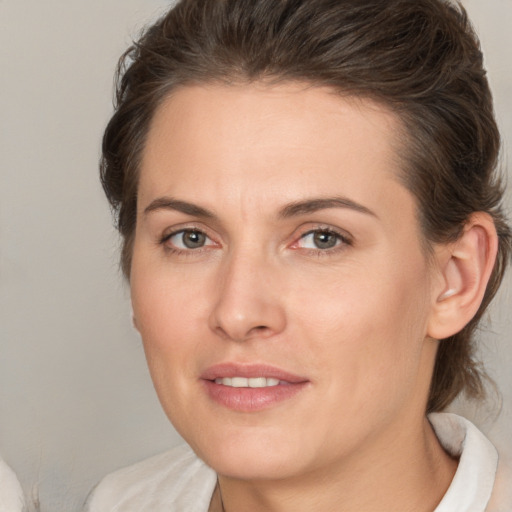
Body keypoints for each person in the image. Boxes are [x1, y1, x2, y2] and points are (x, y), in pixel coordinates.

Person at [85, 0, 512, 510]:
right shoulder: (120, 502)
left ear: (455, 279)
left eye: (321, 238)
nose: (238, 312)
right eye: (191, 238)